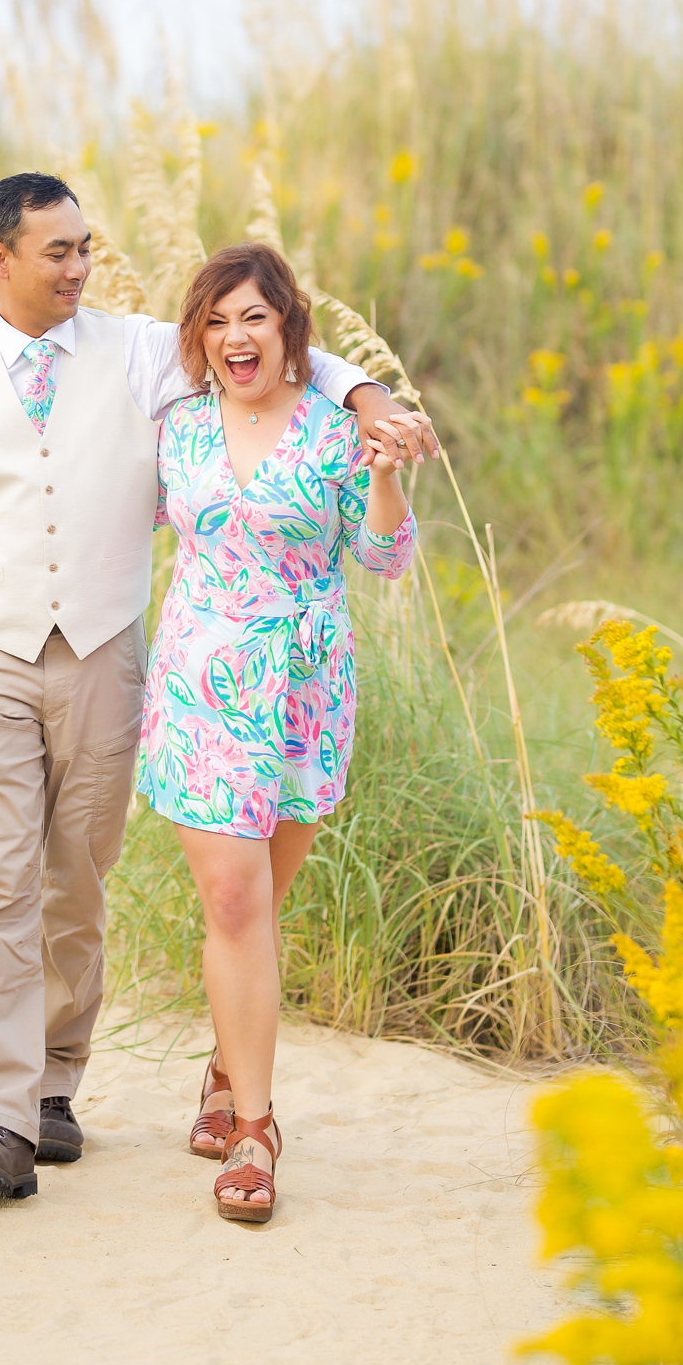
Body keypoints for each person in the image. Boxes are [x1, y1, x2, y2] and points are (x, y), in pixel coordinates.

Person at [0, 172, 437, 1204]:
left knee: (80, 873)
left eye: (87, 247)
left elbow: (268, 355)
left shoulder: (136, 356)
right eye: (59, 251)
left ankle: (52, 1089)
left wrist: (369, 396)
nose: (81, 266)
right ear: (0, 258)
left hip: (113, 651)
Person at [136, 243, 418, 1224]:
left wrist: (384, 474)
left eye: (252, 316)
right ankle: (256, 1129)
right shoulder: (178, 428)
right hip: (201, 683)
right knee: (234, 898)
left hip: (304, 691)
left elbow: (383, 556)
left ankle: (225, 1063)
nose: (234, 337)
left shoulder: (336, 430)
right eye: (215, 322)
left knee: (261, 899)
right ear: (197, 339)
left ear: (287, 325)